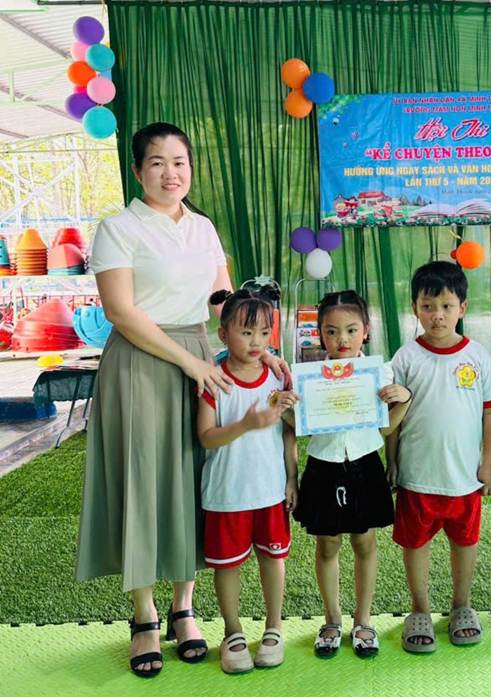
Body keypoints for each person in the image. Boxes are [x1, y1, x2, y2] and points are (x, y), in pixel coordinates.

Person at [75, 122, 287, 678]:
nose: (171, 173)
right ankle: (145, 615)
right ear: (138, 170)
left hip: (202, 357)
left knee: (197, 478)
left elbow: (224, 303)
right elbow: (122, 311)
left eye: (180, 162)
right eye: (157, 162)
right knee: (145, 480)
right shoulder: (118, 228)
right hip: (142, 363)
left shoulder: (203, 227)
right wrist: (191, 362)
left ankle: (184, 608)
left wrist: (261, 351)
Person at [388, 261, 491, 653]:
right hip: (417, 476)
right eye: (427, 306)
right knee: (415, 544)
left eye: (446, 306)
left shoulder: (478, 357)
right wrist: (392, 461)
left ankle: (461, 606)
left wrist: (488, 463)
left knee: (465, 542)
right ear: (415, 308)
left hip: (464, 478)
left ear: (462, 308)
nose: (436, 315)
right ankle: (419, 610)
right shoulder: (405, 359)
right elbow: (392, 419)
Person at [293, 290, 412, 659]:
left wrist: (404, 400)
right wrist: (285, 407)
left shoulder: (380, 374)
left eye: (350, 330)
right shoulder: (308, 378)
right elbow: (300, 427)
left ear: (366, 330)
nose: (341, 339)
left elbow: (386, 429)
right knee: (327, 544)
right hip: (322, 465)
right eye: (331, 331)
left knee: (364, 542)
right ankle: (331, 620)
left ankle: (363, 621)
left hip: (364, 464)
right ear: (320, 334)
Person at [198, 287, 299, 673]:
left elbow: (288, 433)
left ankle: (274, 628)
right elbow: (206, 437)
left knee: (273, 560)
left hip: (270, 491)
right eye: (246, 332)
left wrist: (291, 478)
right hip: (226, 494)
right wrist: (246, 424)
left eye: (263, 333)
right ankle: (233, 632)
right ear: (224, 335)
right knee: (227, 566)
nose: (256, 342)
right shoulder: (213, 380)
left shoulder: (277, 377)